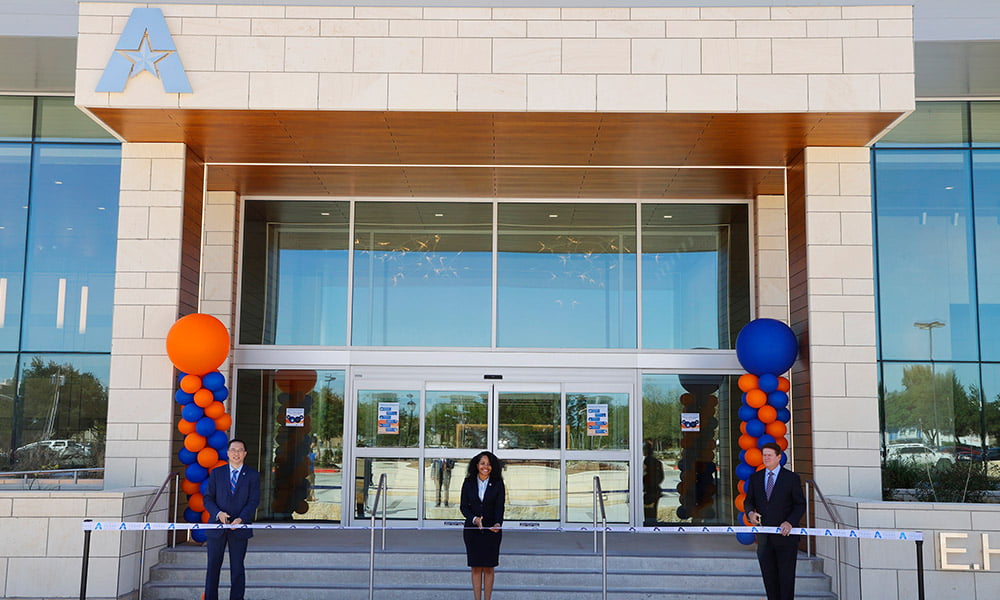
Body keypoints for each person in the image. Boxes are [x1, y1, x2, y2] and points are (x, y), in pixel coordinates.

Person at [744, 442, 806, 600]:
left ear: (779, 457)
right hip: (765, 540)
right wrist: (751, 513)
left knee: (785, 580)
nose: (766, 458)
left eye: (769, 455)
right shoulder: (756, 478)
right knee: (769, 579)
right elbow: (748, 501)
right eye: (764, 455)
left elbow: (800, 504)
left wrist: (790, 522)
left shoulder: (791, 478)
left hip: (786, 539)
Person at [203, 439, 261, 600]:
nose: (236, 453)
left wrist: (241, 519)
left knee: (237, 569)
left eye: (240, 450)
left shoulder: (252, 475)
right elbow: (208, 498)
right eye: (233, 450)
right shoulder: (217, 473)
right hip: (217, 528)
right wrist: (218, 513)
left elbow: (254, 501)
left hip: (239, 529)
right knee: (213, 567)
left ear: (245, 454)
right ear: (228, 453)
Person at [460, 451, 505, 600]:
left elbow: (499, 507)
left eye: (489, 464)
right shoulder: (468, 482)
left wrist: (498, 524)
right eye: (482, 463)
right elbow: (463, 507)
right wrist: (475, 520)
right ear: (477, 465)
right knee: (476, 568)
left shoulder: (498, 483)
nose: (486, 467)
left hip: (492, 531)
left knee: (489, 568)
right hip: (472, 531)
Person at [642, 440, 664, 525]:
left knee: (648, 510)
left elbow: (645, 475)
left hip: (649, 490)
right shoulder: (657, 462)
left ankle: (649, 524)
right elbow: (661, 476)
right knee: (653, 510)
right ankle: (652, 523)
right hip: (656, 489)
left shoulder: (647, 461)